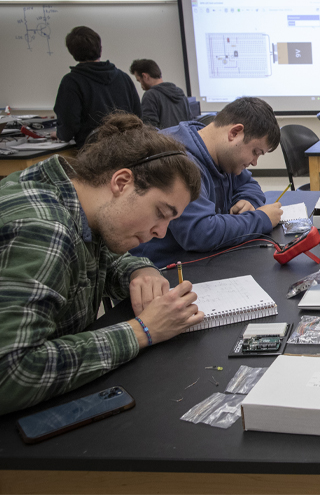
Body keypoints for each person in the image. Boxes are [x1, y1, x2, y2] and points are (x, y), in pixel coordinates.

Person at [0, 113, 204, 415]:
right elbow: (12, 373)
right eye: (161, 213)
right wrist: (143, 330)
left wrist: (140, 269)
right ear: (122, 182)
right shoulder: (45, 229)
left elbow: (97, 255)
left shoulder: (73, 195)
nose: (161, 232)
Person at [131, 97, 283, 266]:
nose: (255, 162)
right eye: (255, 152)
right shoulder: (177, 162)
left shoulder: (222, 155)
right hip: (164, 271)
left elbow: (249, 184)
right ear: (234, 133)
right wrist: (262, 219)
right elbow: (201, 233)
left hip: (201, 260)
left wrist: (247, 200)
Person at [53, 26, 142, 148]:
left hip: (93, 154)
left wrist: (60, 134)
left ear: (72, 52)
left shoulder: (72, 81)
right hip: (127, 149)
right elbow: (138, 117)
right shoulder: (123, 77)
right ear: (100, 48)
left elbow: (69, 125)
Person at [130, 59, 193, 129]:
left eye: (139, 80)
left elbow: (150, 129)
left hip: (165, 139)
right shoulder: (179, 92)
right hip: (184, 139)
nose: (141, 86)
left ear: (145, 76)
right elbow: (190, 123)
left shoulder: (150, 96)